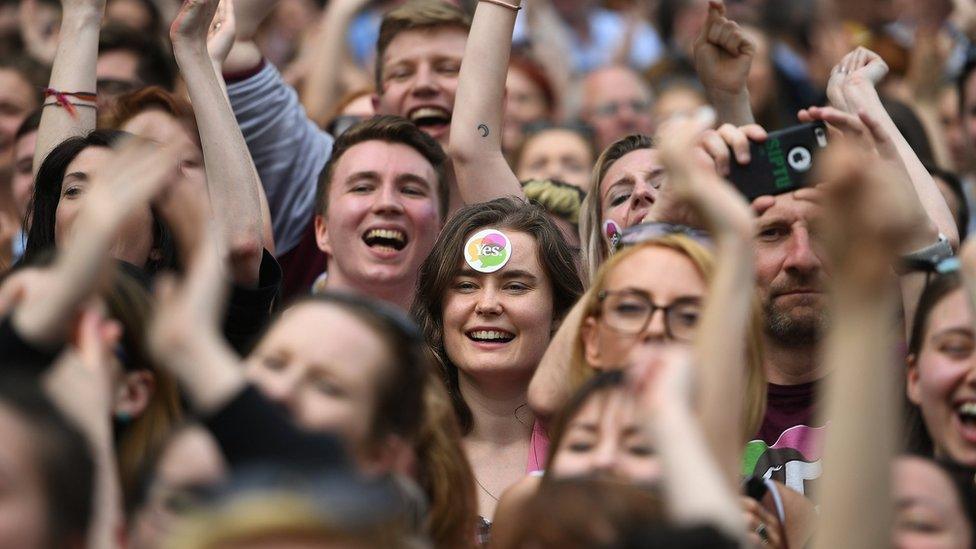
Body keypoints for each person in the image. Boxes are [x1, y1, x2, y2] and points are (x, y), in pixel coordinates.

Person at [218, 0, 468, 299]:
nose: (424, 84)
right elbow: (228, 39)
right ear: (376, 106)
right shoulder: (324, 169)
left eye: (448, 69)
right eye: (402, 73)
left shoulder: (523, 206)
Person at [412, 197, 583, 531]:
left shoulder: (594, 449)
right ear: (438, 309)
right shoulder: (399, 446)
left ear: (559, 312)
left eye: (515, 286)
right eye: (465, 286)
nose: (487, 304)